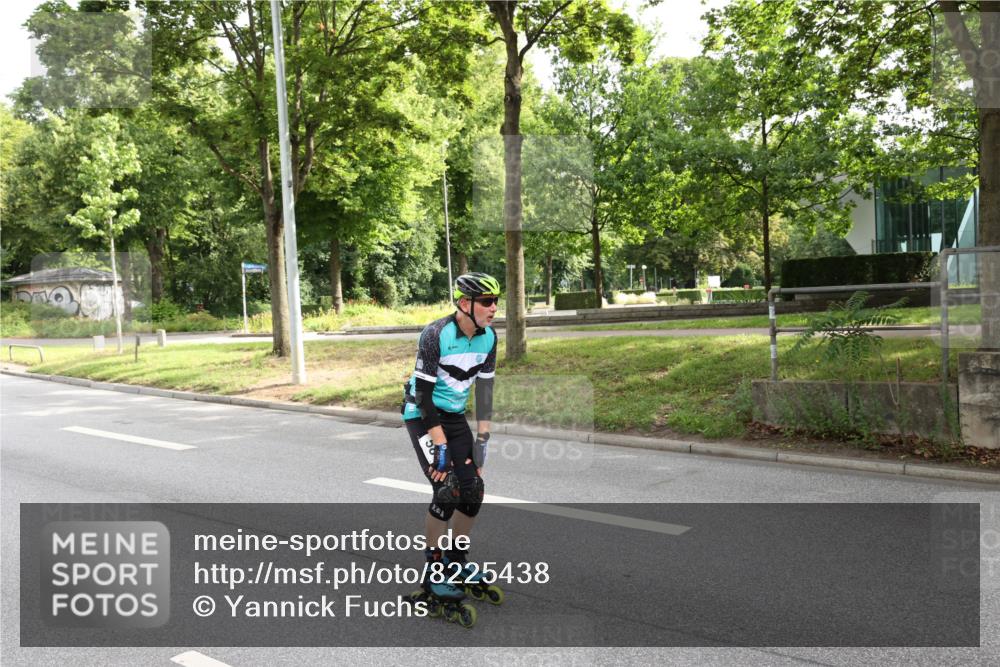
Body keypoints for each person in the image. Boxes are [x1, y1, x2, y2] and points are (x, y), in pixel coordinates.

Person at [402, 272, 500, 607]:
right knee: (447, 490)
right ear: (464, 303)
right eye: (487, 301)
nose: (493, 308)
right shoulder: (435, 335)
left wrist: (482, 441)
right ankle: (433, 571)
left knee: (473, 491)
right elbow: (424, 398)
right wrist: (440, 446)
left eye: (496, 301)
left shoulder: (489, 339)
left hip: (454, 417)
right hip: (423, 415)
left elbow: (485, 393)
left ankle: (456, 563)